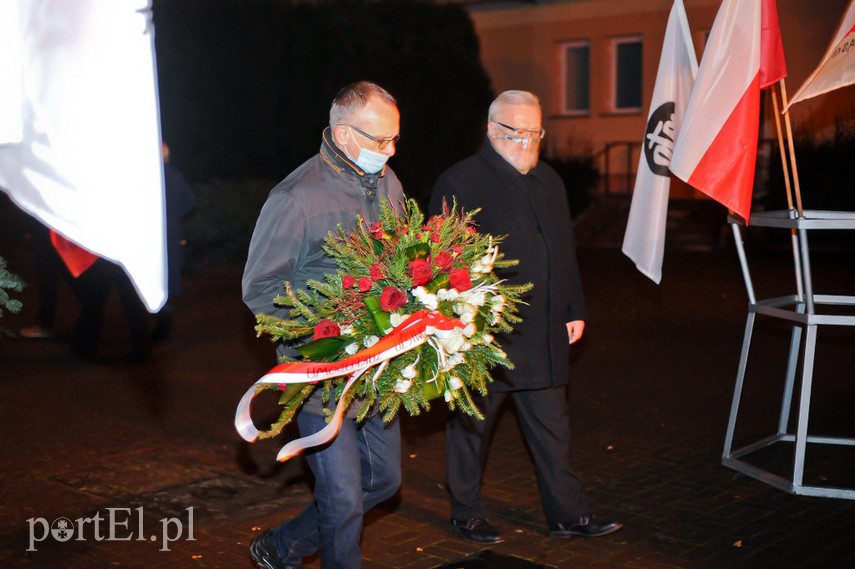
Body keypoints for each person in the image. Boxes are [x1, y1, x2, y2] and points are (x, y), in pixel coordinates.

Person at [428, 90, 622, 544]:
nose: (527, 142)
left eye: (535, 133)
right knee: (471, 429)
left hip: (545, 331)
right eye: (517, 132)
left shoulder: (549, 180)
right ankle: (467, 512)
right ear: (492, 131)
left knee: (554, 429)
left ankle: (568, 515)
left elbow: (563, 249)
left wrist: (575, 307)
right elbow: (440, 262)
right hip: (485, 336)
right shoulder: (461, 181)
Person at [242, 81, 404, 569]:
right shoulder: (296, 197)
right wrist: (326, 327)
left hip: (379, 370)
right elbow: (260, 289)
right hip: (320, 376)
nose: (390, 151)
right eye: (379, 141)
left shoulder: (389, 183)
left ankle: (282, 547)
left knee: (384, 482)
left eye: (395, 139)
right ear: (343, 133)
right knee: (343, 503)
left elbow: (400, 261)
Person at [151, 142, 197, 342]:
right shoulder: (175, 177)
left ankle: (161, 322)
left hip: (154, 238)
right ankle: (162, 319)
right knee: (166, 280)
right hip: (171, 236)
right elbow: (191, 203)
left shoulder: (148, 178)